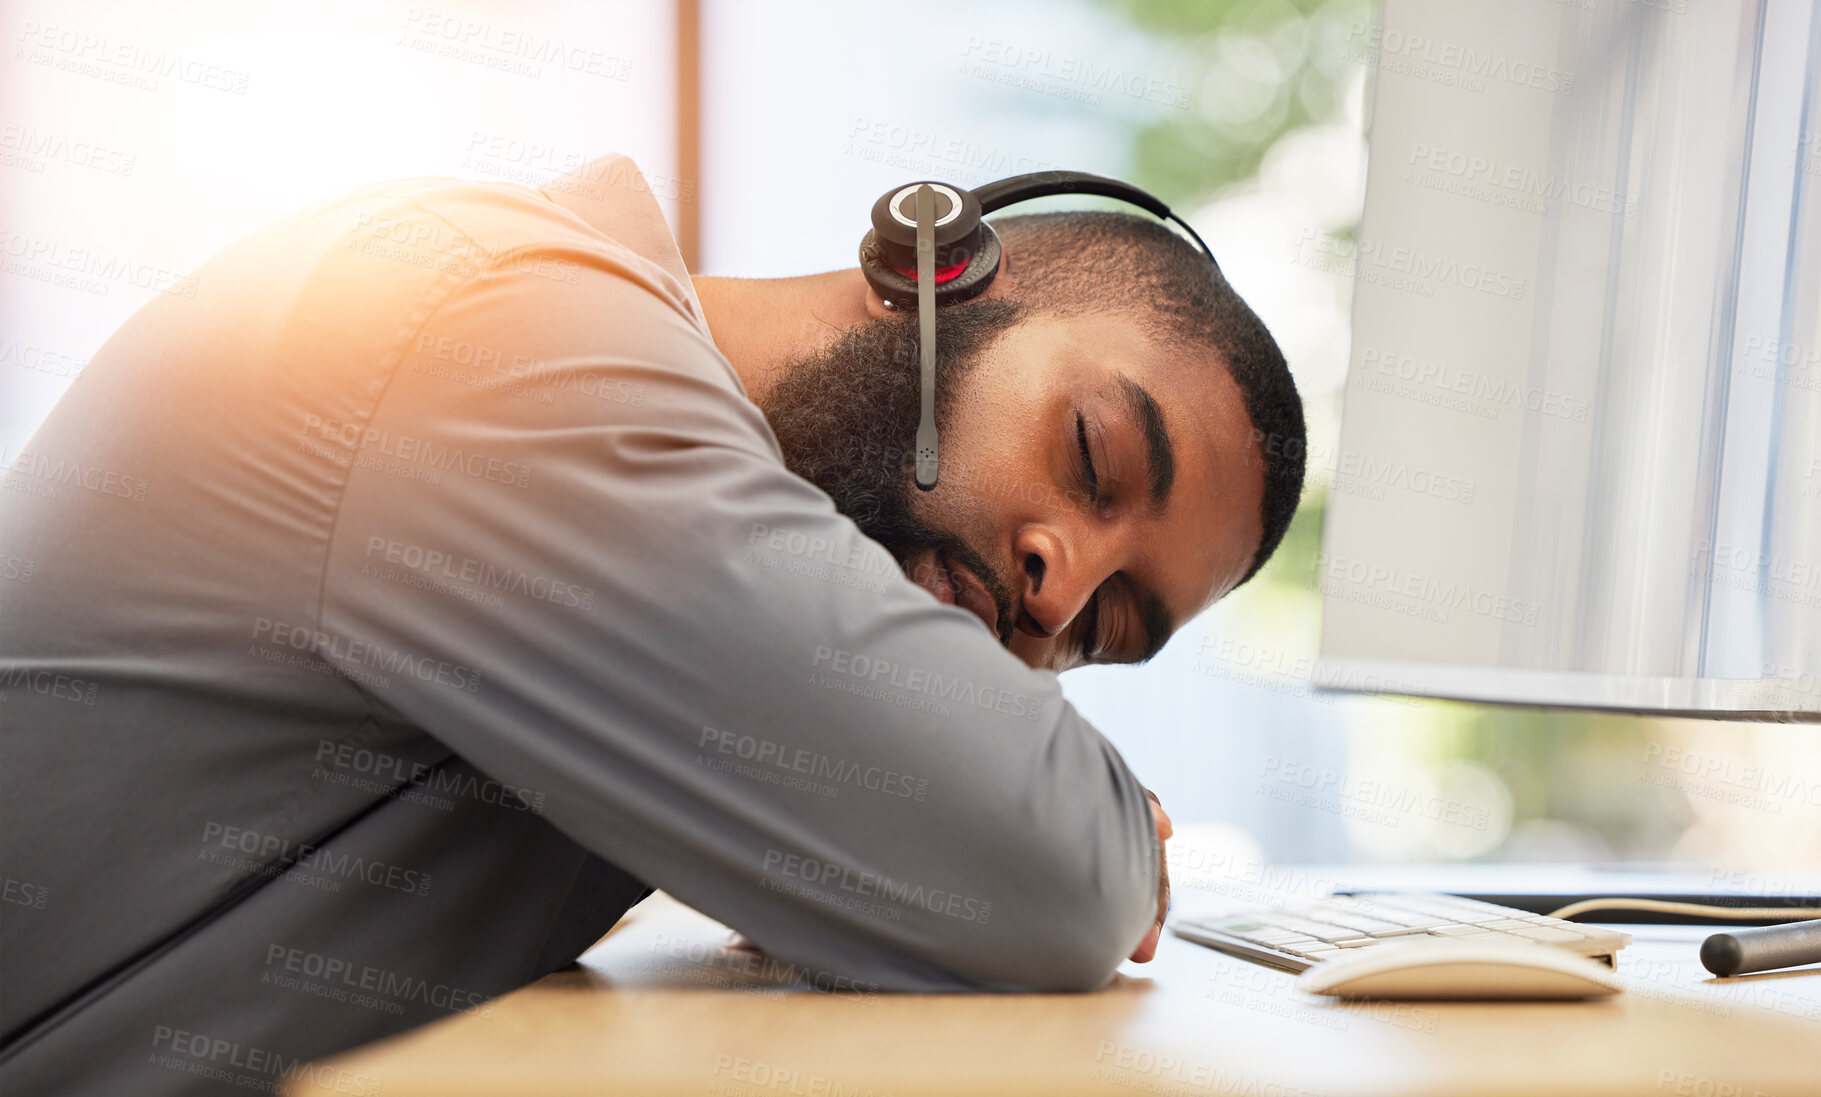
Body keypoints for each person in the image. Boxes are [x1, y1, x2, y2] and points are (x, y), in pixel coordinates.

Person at [0, 154, 1305, 1095]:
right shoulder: (506, 332)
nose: (1057, 591)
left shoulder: (669, 523)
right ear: (936, 263)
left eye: (1110, 627)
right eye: (1090, 454)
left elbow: (959, 846)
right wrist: (1089, 838)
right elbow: (1044, 877)